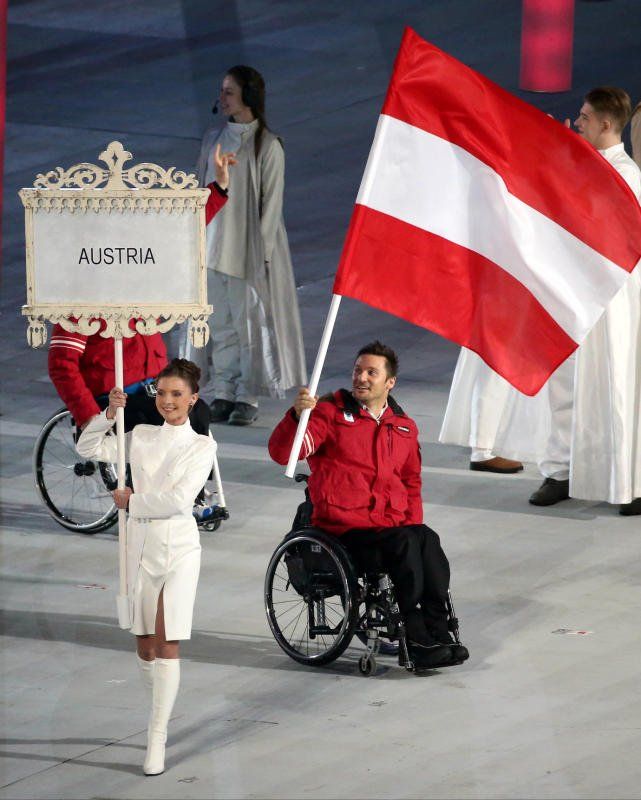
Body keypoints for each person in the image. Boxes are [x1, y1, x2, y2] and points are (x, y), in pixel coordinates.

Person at [49, 146, 233, 517]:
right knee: (158, 419)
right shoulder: (79, 296)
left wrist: (218, 189)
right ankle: (164, 497)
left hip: (152, 385)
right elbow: (61, 365)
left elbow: (179, 237)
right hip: (112, 397)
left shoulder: (140, 274)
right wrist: (92, 419)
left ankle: (190, 491)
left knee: (198, 411)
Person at [268, 341, 469, 672]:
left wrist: (412, 524)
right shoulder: (329, 413)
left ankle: (440, 632)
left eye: (371, 372)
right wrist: (296, 417)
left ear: (390, 382)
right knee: (406, 544)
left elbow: (411, 483)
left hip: (389, 528)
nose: (361, 377)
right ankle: (416, 637)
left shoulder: (403, 427)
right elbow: (285, 453)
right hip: (344, 531)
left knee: (426, 539)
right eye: (358, 370)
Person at [76, 359, 216, 776]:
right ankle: (160, 709)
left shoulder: (201, 447)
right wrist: (109, 414)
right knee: (144, 645)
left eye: (177, 394)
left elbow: (179, 500)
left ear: (192, 399)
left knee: (168, 640)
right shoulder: (140, 436)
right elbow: (87, 449)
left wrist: (132, 501)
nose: (167, 401)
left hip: (179, 549)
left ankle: (157, 736)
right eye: (162, 393)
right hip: (139, 547)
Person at [526, 87, 641, 514]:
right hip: (573, 291)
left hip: (611, 302)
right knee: (565, 381)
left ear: (606, 124)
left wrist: (561, 160)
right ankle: (561, 470)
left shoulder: (626, 175)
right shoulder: (587, 163)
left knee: (615, 387)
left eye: (585, 117)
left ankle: (629, 480)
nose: (577, 122)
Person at [177, 64, 306, 426]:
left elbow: (271, 207)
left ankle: (246, 394)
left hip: (246, 251)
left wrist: (261, 257)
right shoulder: (213, 139)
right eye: (222, 91)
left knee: (249, 326)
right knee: (220, 326)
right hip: (212, 246)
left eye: (229, 91)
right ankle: (224, 391)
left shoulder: (268, 145)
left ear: (248, 96)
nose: (222, 97)